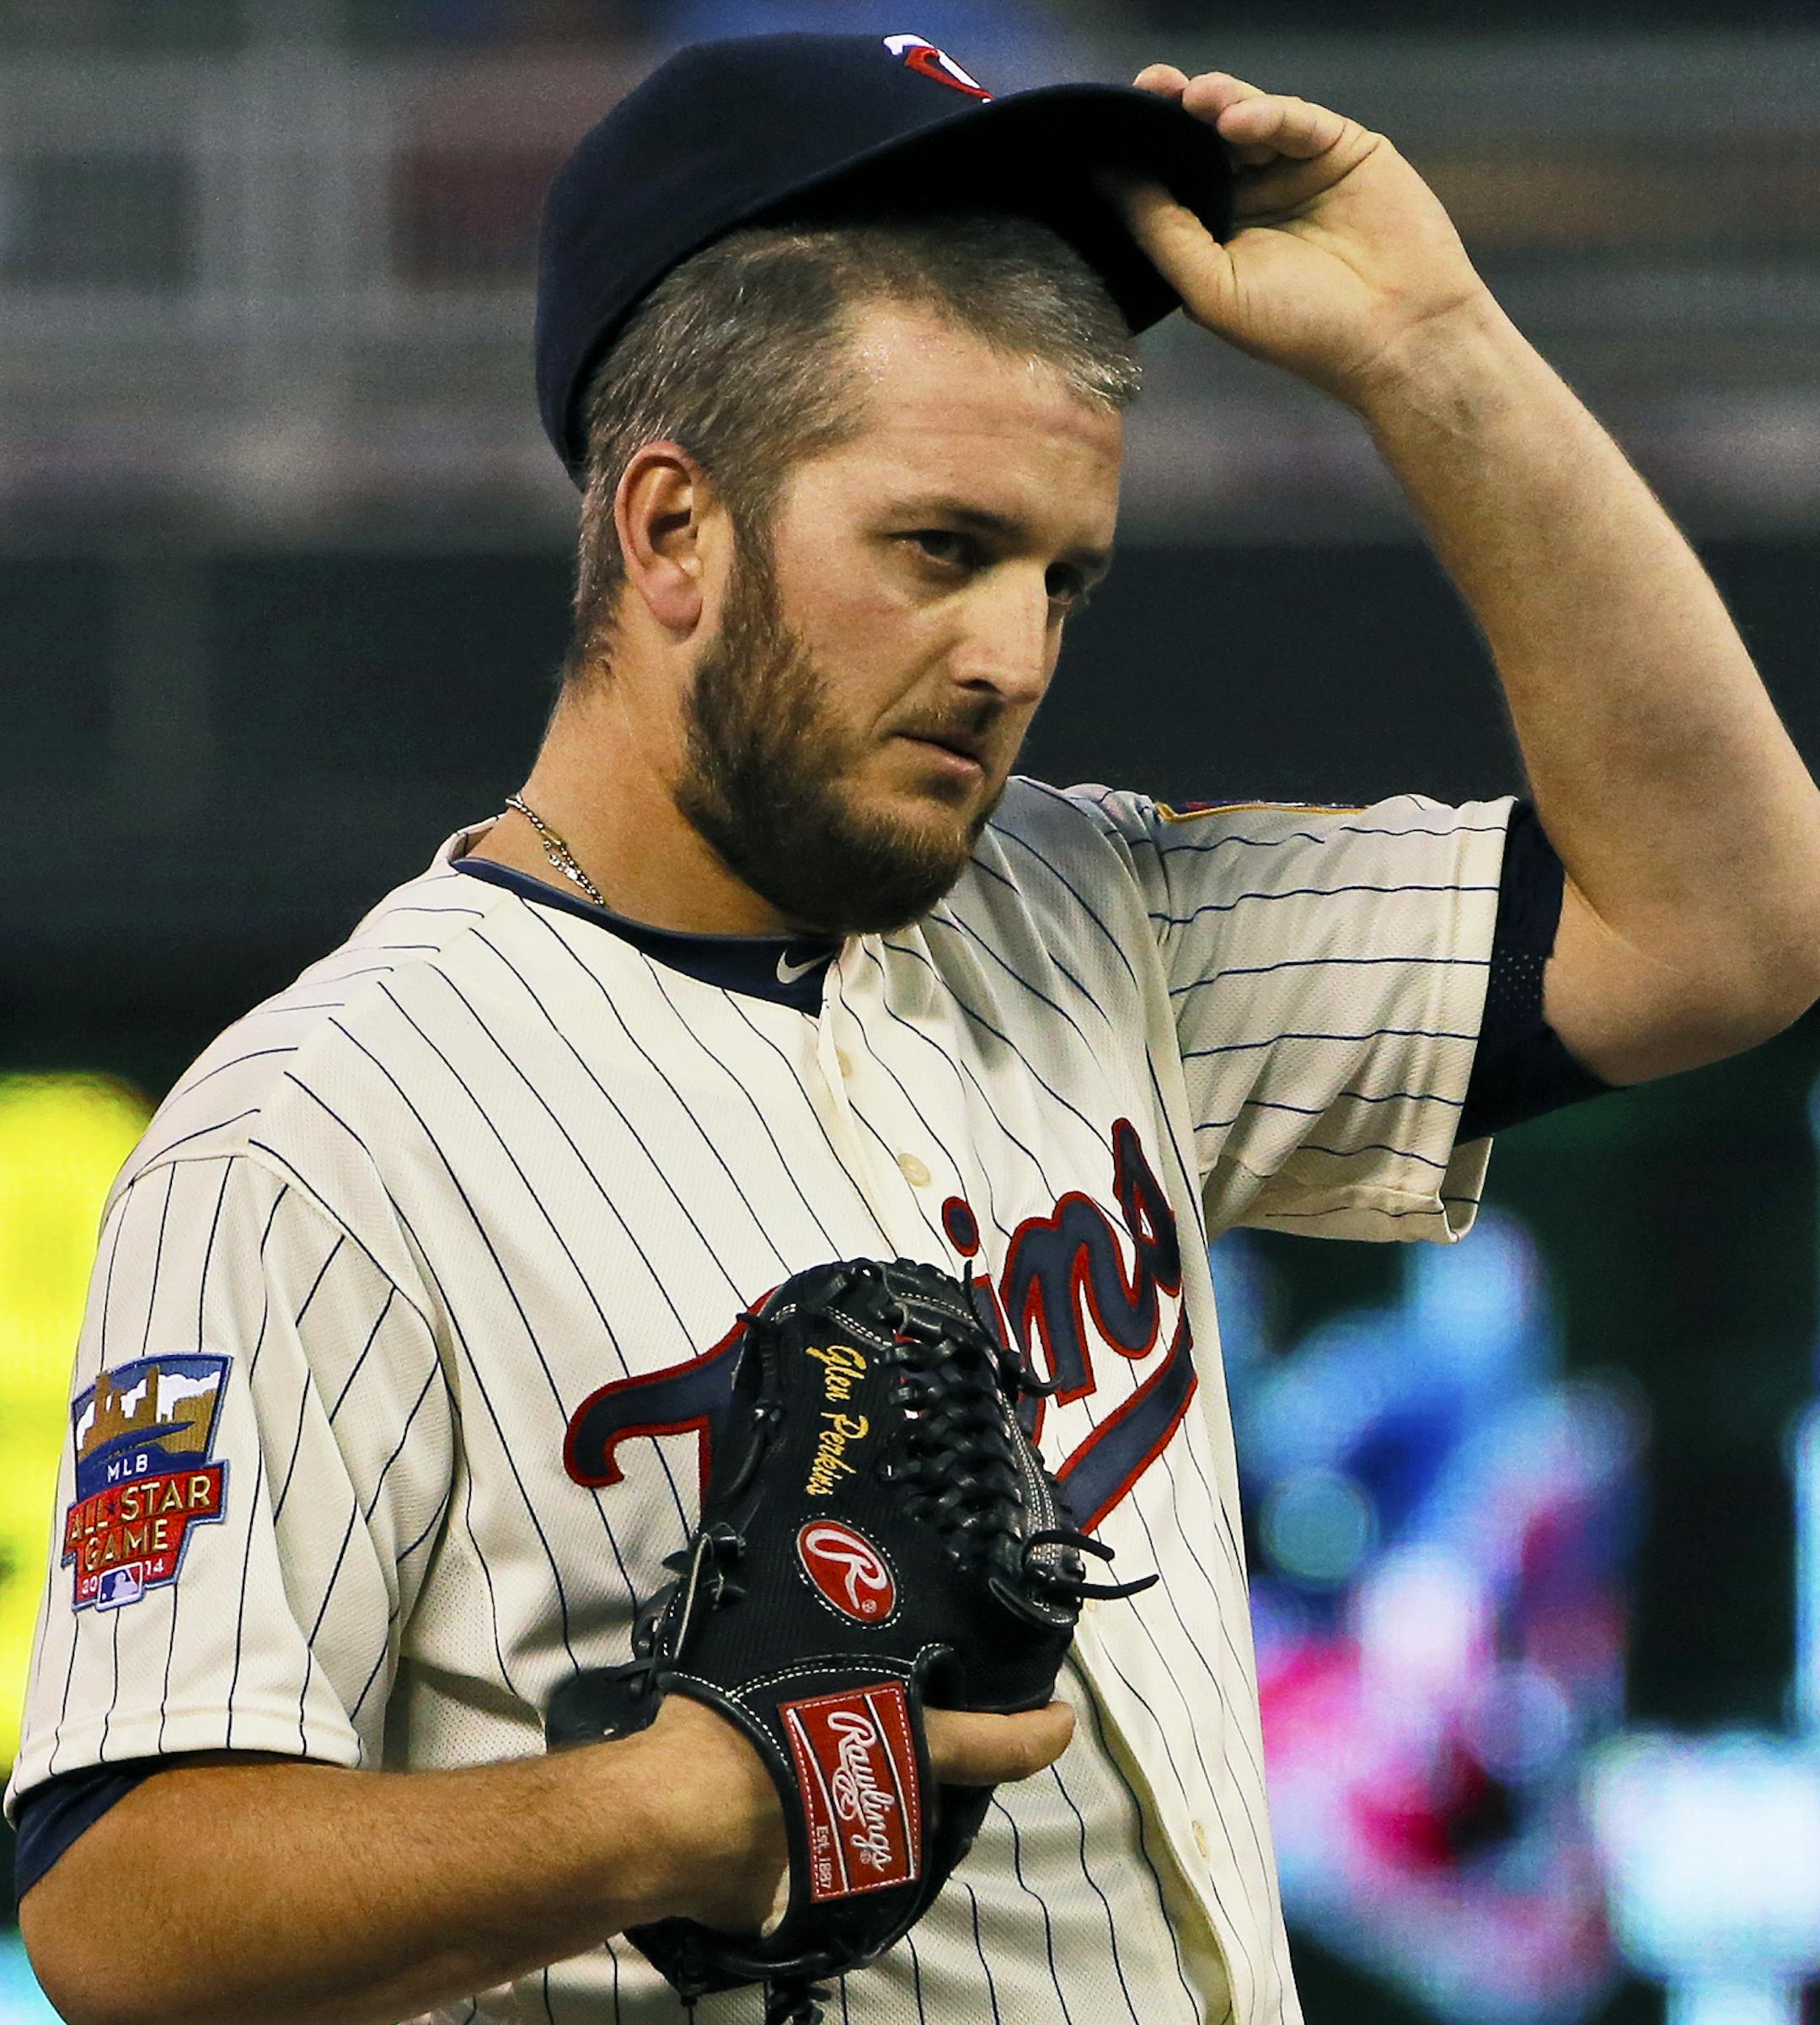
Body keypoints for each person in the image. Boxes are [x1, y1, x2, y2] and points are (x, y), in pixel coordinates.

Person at [11, 31, 1820, 2025]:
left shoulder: (1092, 912)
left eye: (1067, 577)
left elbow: (1732, 920)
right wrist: (661, 1811)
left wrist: (1437, 352)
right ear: (671, 529)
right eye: (941, 552)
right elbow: (118, 1907)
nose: (1015, 652)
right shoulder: (314, 1127)